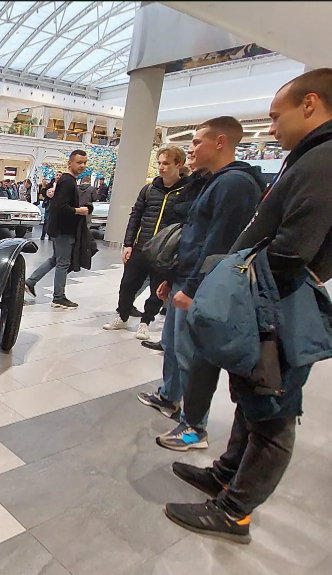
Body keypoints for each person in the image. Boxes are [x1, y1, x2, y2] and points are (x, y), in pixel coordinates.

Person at [163, 67, 332, 545]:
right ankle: (226, 475)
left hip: (278, 306)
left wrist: (232, 283)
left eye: (276, 116)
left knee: (274, 411)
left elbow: (293, 250)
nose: (271, 127)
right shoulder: (310, 157)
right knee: (255, 400)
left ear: (310, 104)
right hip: (269, 302)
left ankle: (234, 512)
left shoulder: (323, 160)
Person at [143, 117, 264, 451]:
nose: (192, 149)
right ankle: (170, 396)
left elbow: (218, 244)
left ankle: (194, 426)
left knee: (192, 355)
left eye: (197, 142)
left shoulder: (235, 184)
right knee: (173, 344)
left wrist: (193, 288)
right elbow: (193, 235)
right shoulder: (213, 181)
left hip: (201, 284)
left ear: (220, 142)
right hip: (184, 277)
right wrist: (172, 278)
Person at [103, 146, 190, 341]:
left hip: (165, 251)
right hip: (141, 246)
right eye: (159, 163)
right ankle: (122, 316)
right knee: (127, 285)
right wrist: (128, 243)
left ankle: (146, 322)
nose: (161, 167)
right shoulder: (149, 189)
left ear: (179, 164)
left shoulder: (186, 192)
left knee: (157, 289)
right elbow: (136, 215)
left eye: (166, 163)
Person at [140, 148, 212, 352]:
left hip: (193, 266)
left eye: (198, 144)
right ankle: (167, 342)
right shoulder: (194, 183)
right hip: (176, 256)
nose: (192, 151)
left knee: (183, 344)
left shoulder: (220, 183)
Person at [24, 151, 90, 309]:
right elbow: (60, 206)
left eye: (84, 162)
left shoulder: (69, 180)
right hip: (64, 229)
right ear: (70, 163)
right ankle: (58, 297)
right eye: (79, 162)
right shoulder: (67, 181)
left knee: (56, 259)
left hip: (61, 229)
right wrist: (78, 210)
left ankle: (30, 282)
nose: (82, 165)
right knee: (63, 263)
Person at [39, 172, 60, 240]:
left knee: (54, 220)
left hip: (57, 204)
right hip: (49, 203)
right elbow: (43, 192)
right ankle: (43, 234)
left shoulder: (62, 185)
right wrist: (47, 194)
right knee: (47, 219)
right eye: (57, 175)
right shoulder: (50, 184)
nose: (58, 176)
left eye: (60, 175)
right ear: (54, 176)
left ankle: (51, 235)